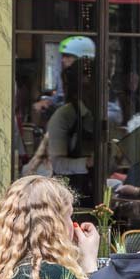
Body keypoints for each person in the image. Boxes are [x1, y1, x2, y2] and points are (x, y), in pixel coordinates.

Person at [46, 63, 95, 200]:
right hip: (66, 192)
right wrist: (87, 163)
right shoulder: (63, 116)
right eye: (89, 86)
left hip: (94, 187)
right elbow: (56, 164)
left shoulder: (99, 115)